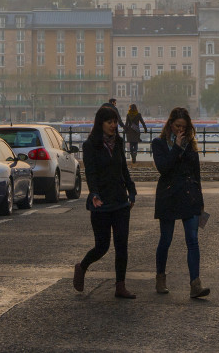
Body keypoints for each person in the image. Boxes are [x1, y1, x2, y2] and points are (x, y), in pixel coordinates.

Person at [73, 105, 138, 299]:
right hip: (100, 202)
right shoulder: (90, 145)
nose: (113, 125)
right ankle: (82, 266)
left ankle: (120, 286)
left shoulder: (118, 142)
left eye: (115, 121)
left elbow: (123, 169)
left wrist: (132, 190)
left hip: (120, 201)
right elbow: (90, 172)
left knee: (121, 245)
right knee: (102, 246)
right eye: (109, 122)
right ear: (100, 123)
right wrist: (94, 193)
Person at [152, 107, 209, 299]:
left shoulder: (191, 144)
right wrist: (176, 146)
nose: (180, 130)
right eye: (177, 126)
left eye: (184, 127)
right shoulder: (159, 143)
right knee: (165, 240)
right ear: (170, 125)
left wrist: (201, 200)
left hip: (189, 195)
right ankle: (160, 277)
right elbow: (163, 168)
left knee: (192, 240)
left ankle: (195, 284)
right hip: (168, 196)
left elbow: (196, 173)